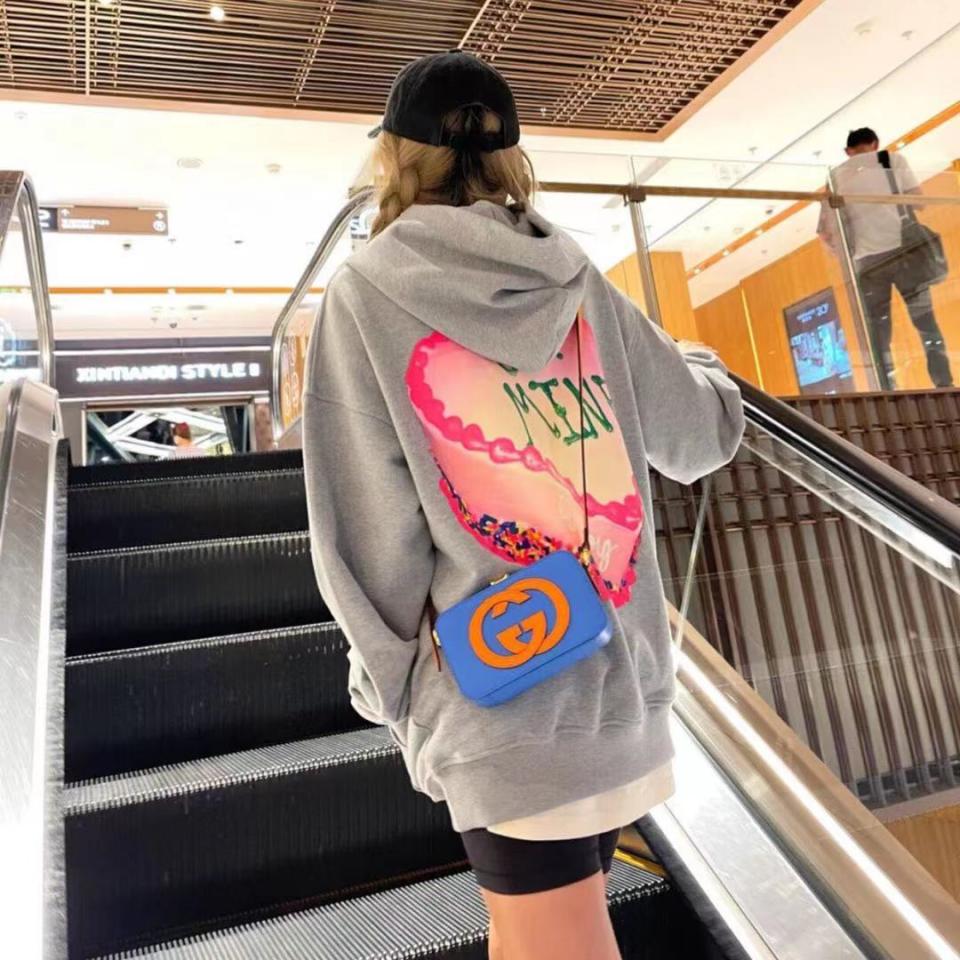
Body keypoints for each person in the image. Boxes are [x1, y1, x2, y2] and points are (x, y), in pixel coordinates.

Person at [302, 51, 744, 960]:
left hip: (498, 693)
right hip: (618, 679)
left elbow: (372, 537)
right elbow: (698, 437)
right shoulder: (575, 278)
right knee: (533, 938)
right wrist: (702, 365)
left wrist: (392, 692)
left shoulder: (364, 296)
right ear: (510, 155)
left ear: (394, 155)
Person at [818, 126, 952, 390]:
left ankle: (886, 388)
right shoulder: (891, 160)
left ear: (847, 151)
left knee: (878, 334)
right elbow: (919, 201)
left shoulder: (835, 177)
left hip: (867, 264)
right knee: (926, 323)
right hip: (904, 254)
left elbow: (825, 232)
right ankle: (944, 383)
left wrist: (845, 253)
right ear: (875, 143)